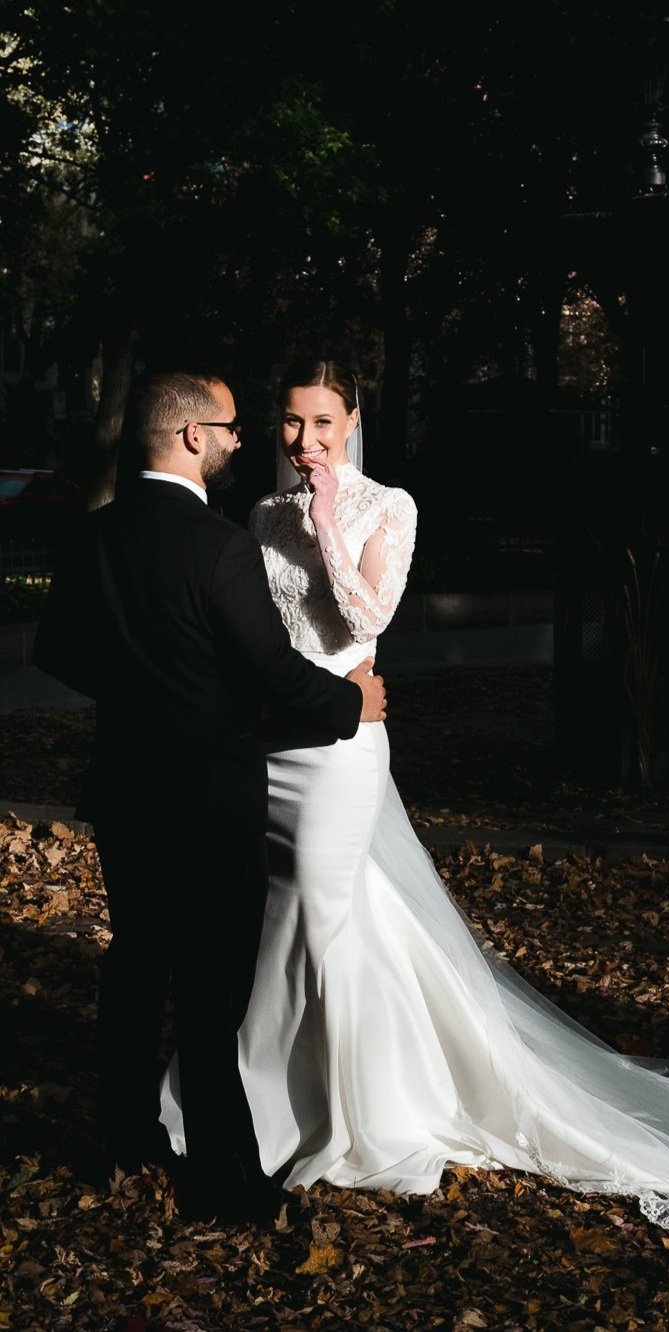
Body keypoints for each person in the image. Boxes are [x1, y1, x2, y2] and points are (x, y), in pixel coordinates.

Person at [162, 358, 669, 1244]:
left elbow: (363, 622)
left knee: (318, 911)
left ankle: (333, 1112)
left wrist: (324, 523)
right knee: (316, 916)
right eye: (288, 423)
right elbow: (256, 635)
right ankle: (291, 1094)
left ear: (352, 421)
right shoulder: (258, 515)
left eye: (321, 423)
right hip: (278, 740)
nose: (303, 442)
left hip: (345, 747)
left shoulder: (386, 507)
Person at [33, 368, 386, 1227]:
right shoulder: (218, 543)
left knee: (135, 962)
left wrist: (141, 692)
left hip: (123, 788)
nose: (239, 441)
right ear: (193, 436)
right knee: (210, 985)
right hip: (209, 793)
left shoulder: (95, 535)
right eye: (230, 428)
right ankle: (225, 1178)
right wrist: (352, 704)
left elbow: (58, 652)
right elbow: (266, 670)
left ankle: (123, 1135)